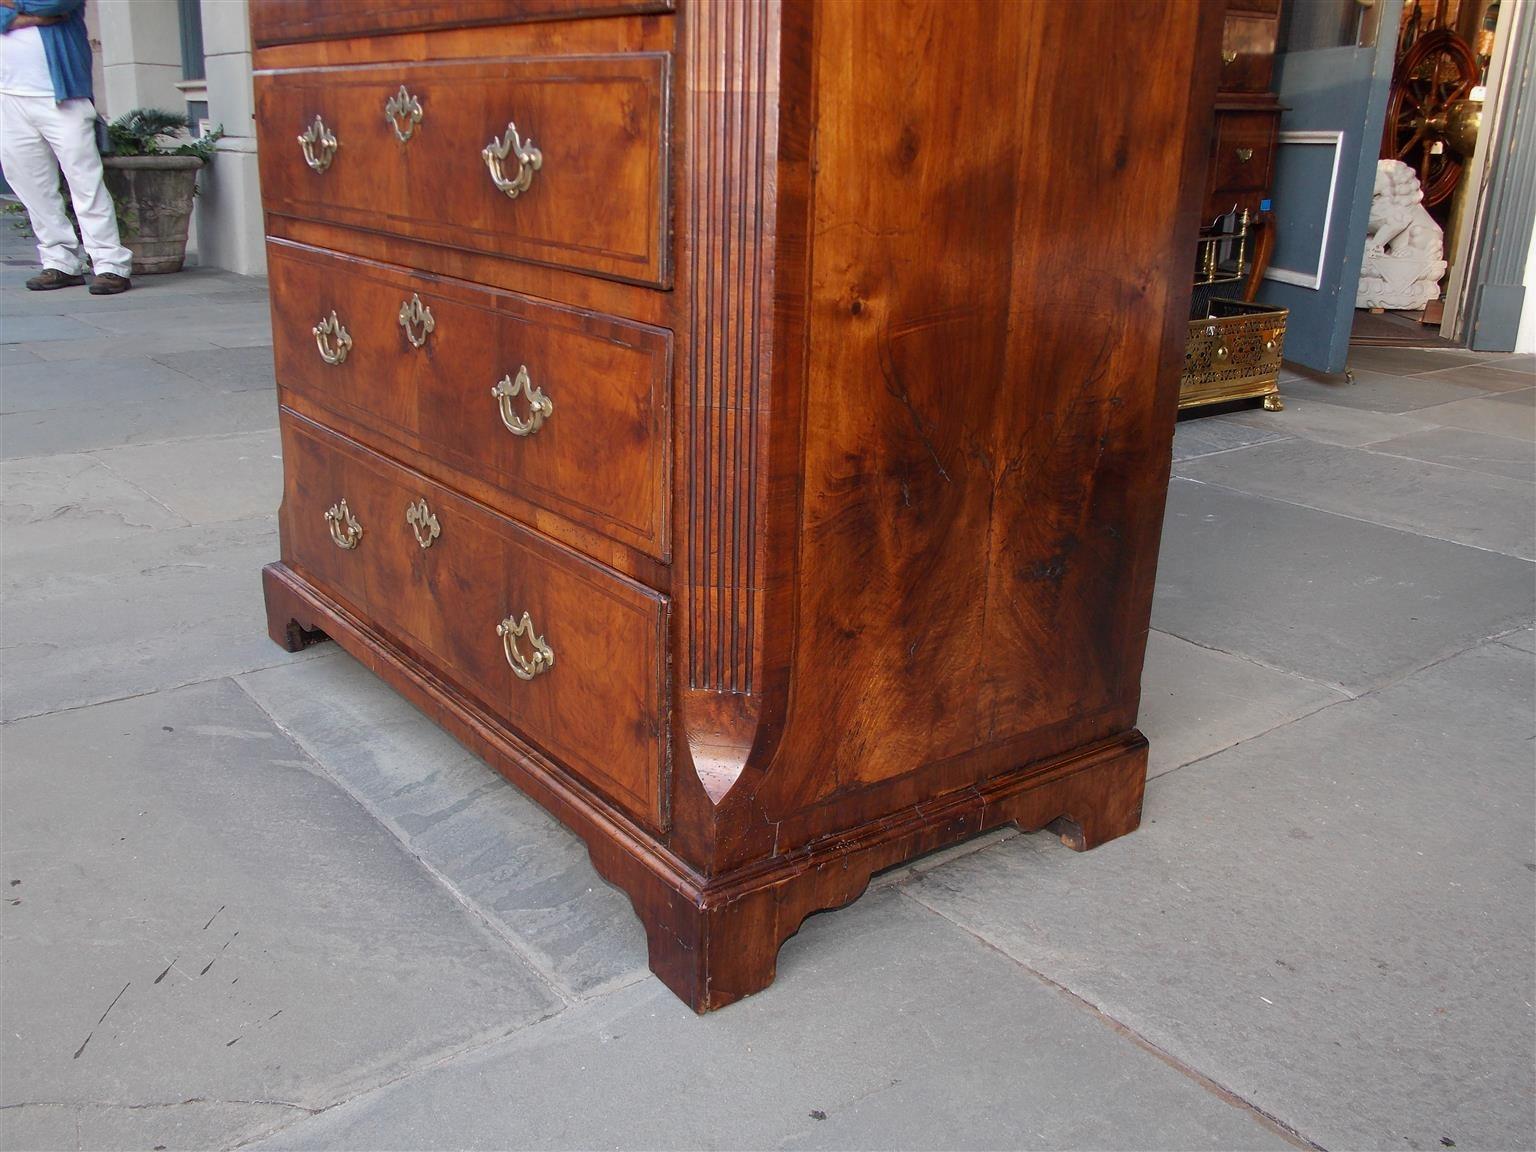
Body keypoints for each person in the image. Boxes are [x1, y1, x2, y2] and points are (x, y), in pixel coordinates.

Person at [0, 0, 132, 294]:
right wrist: (27, 17)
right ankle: (60, 262)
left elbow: (58, 3)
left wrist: (14, 7)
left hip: (63, 97)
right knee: (31, 185)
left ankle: (111, 264)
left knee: (85, 181)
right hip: (8, 97)